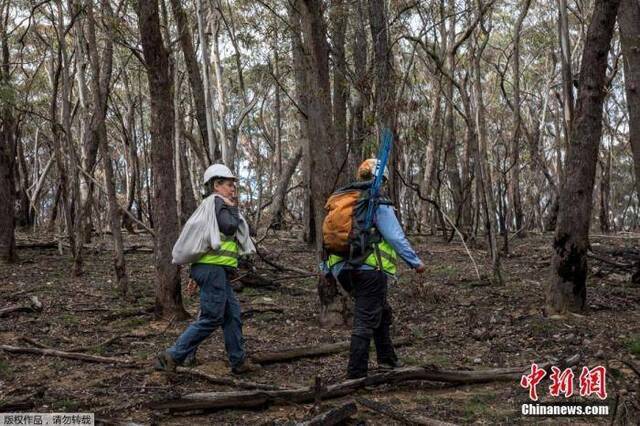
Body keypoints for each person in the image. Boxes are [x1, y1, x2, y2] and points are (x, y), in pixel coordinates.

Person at [322, 159, 425, 379]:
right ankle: (356, 375)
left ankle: (387, 359)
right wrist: (415, 262)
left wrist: (326, 269)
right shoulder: (374, 201)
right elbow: (395, 237)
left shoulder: (342, 199)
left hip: (343, 270)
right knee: (365, 318)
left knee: (381, 311)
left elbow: (328, 239)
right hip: (370, 268)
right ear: (381, 180)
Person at [155, 164, 259, 374]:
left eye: (233, 185)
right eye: (229, 185)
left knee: (232, 315)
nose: (233, 189)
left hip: (215, 269)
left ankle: (238, 362)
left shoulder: (214, 206)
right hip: (212, 269)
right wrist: (232, 207)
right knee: (212, 317)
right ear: (216, 185)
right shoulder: (217, 203)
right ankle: (173, 355)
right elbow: (229, 227)